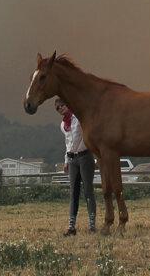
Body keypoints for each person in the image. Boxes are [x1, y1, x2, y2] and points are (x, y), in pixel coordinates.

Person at [57, 97, 96, 235]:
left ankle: (92, 225)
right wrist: (66, 161)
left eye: (62, 105)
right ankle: (71, 227)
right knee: (73, 192)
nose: (60, 108)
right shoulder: (63, 125)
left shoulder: (78, 118)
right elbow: (68, 143)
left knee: (88, 191)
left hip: (85, 156)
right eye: (57, 108)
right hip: (72, 159)